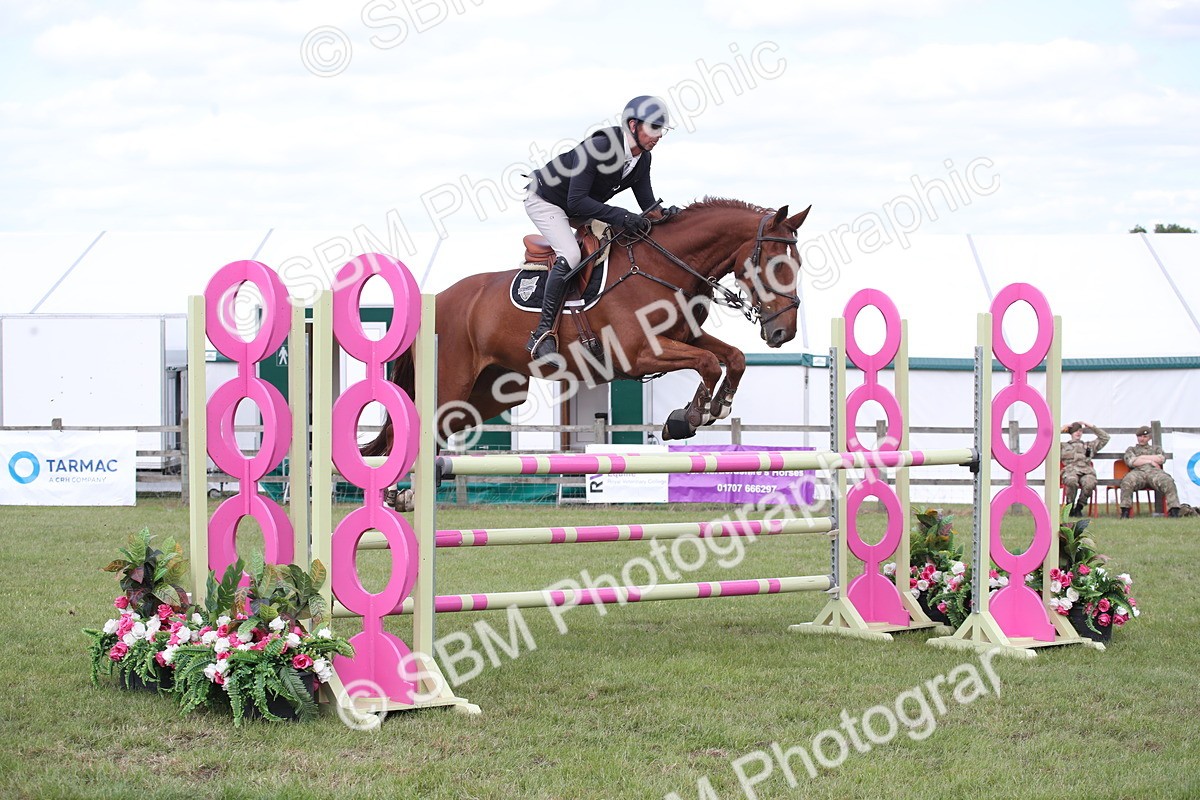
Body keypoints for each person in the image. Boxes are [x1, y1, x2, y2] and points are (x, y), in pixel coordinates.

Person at [523, 95, 681, 361]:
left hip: (578, 207)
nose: (660, 135)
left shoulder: (642, 159)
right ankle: (543, 333)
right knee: (571, 254)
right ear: (633, 125)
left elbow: (647, 205)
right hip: (547, 200)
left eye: (662, 129)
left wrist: (668, 216)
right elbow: (576, 200)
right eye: (654, 128)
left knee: (621, 240)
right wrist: (621, 215)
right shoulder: (599, 147)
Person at [1119, 425, 1181, 518]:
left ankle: (1174, 511)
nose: (1142, 439)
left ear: (1149, 437)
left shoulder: (1156, 448)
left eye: (1145, 437)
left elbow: (1161, 459)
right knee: (1127, 481)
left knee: (1168, 481)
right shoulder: (1131, 449)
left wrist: (1141, 458)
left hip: (1154, 472)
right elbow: (1132, 462)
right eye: (1140, 436)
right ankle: (1125, 511)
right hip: (1138, 472)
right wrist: (1151, 461)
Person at [1060, 421, 1109, 517]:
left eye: (1080, 431)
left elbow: (1105, 438)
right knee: (1071, 481)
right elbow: (1048, 439)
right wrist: (1061, 429)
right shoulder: (1063, 446)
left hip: (1086, 471)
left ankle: (1079, 507)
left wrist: (1091, 426)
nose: (1078, 433)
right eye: (1075, 431)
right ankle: (1070, 506)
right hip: (1071, 471)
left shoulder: (1088, 446)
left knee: (1090, 483)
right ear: (1070, 433)